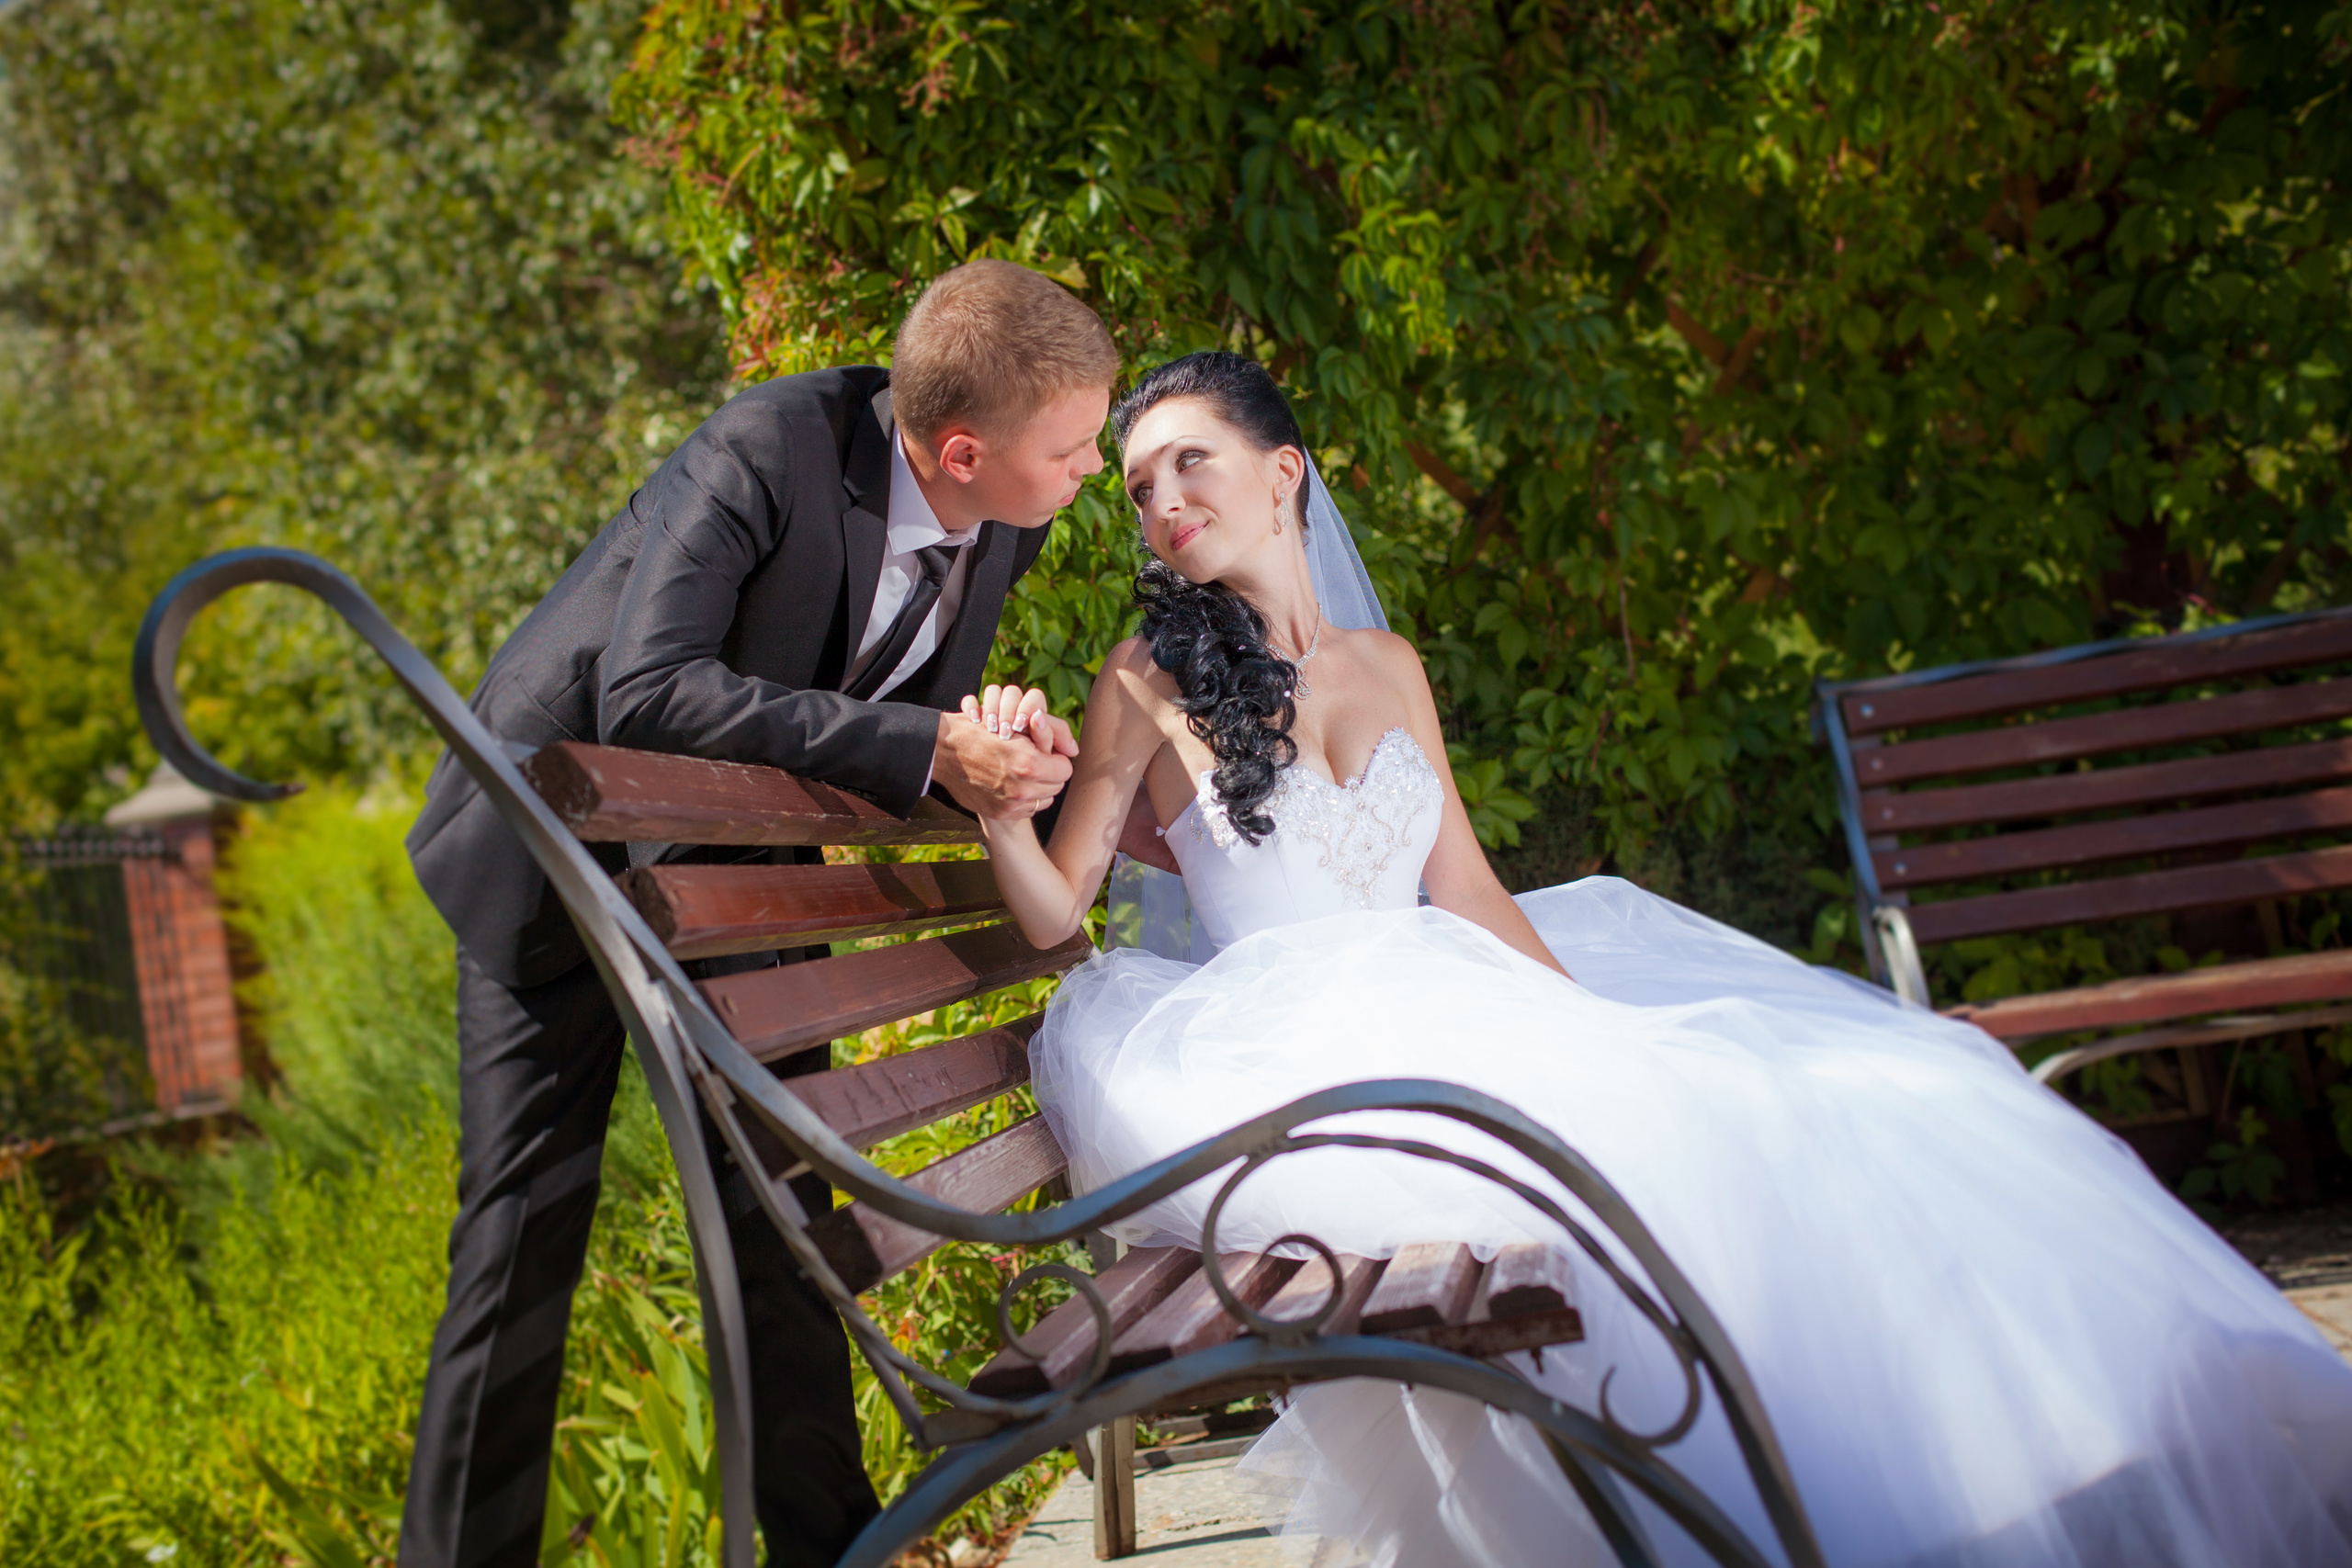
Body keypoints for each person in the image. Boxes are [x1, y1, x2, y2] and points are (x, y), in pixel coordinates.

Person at [961, 350, 2352, 1567]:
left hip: (1449, 1003)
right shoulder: (1147, 672)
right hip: (1285, 1057)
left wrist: (1600, 1030)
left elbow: (1462, 882)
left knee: (1846, 1092)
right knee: (1636, 1174)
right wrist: (999, 811)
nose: (1160, 503)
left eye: (1186, 464)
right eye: (1138, 487)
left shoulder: (1388, 665)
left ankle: (1939, 1467)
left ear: (1285, 472)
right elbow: (1054, 910)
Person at [397, 259, 1116, 1568]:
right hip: (557, 863)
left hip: (745, 888)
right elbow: (648, 690)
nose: (1090, 472)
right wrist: (926, 743)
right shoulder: (769, 446)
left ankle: (833, 1549)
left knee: (783, 1223)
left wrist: (1004, 752)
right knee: (520, 1242)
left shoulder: (1008, 518)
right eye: (1072, 449)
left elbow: (908, 738)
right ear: (963, 451)